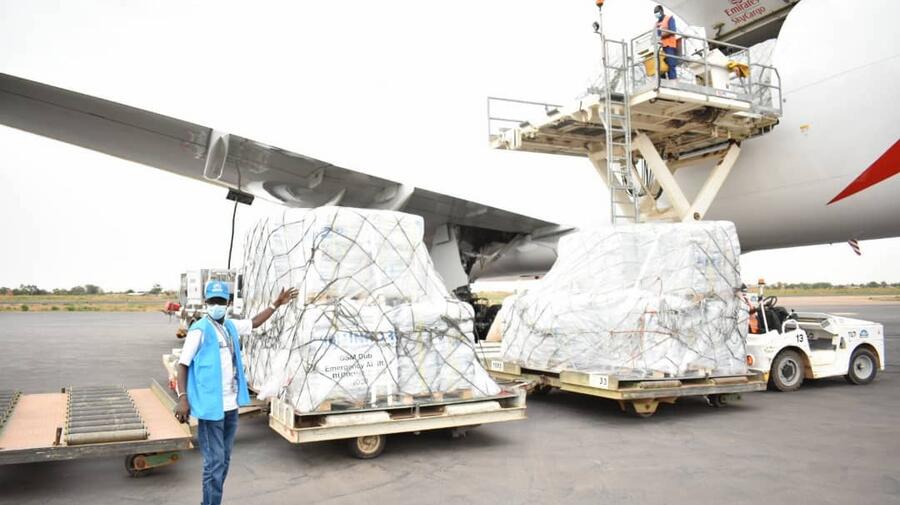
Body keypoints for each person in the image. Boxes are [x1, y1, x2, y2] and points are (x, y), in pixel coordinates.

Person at [175, 280, 297, 505]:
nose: (216, 305)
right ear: (205, 302)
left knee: (224, 460)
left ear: (228, 303)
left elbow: (254, 323)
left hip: (231, 407)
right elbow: (182, 364)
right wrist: (183, 398)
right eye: (212, 301)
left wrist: (276, 304)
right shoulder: (199, 330)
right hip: (211, 408)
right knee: (214, 463)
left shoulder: (230, 326)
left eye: (221, 301)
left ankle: (213, 501)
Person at [655, 5, 678, 79]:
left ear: (661, 11)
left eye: (657, 12)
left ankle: (673, 83)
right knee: (661, 67)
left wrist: (661, 36)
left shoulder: (669, 19)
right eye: (655, 13)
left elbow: (672, 31)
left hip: (669, 46)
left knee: (671, 65)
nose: (656, 14)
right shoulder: (656, 24)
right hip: (660, 48)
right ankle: (663, 84)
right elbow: (655, 35)